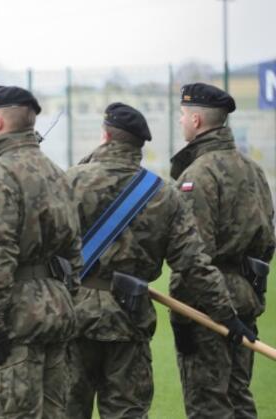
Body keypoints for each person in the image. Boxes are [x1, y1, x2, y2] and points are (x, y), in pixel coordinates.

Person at [65, 102, 252, 418]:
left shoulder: (69, 182)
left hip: (72, 316)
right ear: (139, 145)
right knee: (128, 412)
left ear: (105, 136)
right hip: (129, 318)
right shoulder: (162, 194)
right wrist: (226, 314)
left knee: (66, 411)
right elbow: (192, 263)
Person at [0, 86, 81, 418]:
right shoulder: (56, 172)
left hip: (15, 319)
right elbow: (74, 251)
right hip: (55, 310)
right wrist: (64, 296)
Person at [170, 83, 275, 419]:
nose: (181, 121)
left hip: (208, 310)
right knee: (239, 398)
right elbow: (268, 242)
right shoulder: (253, 170)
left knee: (208, 405)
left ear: (197, 120)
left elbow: (191, 255)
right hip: (244, 300)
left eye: (183, 115)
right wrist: (250, 296)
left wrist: (185, 317)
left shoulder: (198, 174)